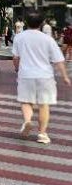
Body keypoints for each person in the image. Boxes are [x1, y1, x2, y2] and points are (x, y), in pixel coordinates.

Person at [12, 12, 71, 144]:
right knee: (44, 105)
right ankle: (42, 134)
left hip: (26, 75)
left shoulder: (19, 37)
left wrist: (17, 69)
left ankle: (27, 121)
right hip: (45, 76)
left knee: (26, 102)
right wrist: (65, 77)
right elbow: (59, 60)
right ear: (41, 23)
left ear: (26, 22)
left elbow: (15, 57)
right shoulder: (48, 39)